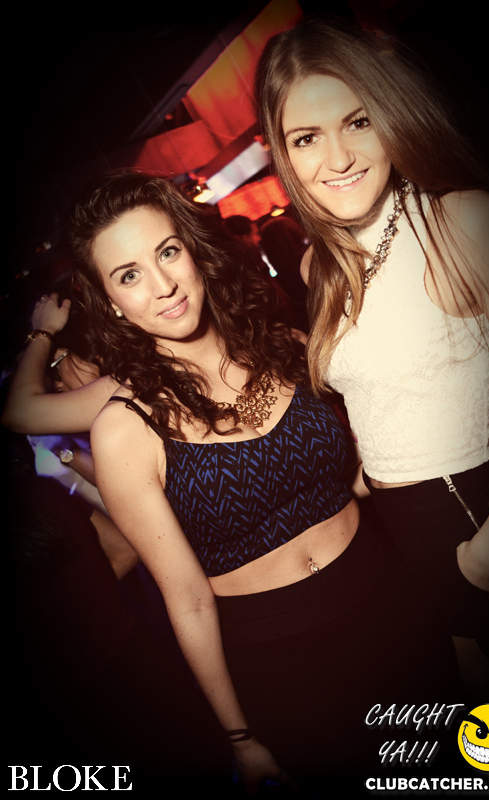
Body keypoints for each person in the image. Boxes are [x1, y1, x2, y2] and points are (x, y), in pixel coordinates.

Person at [2, 170, 462, 792]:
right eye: (129, 275)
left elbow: (361, 474)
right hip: (283, 661)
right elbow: (186, 597)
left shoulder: (283, 344)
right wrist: (240, 737)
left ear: (192, 251)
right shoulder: (125, 426)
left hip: (392, 600)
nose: (162, 285)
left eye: (167, 252)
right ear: (110, 302)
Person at [254, 16, 489, 687]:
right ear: (283, 153)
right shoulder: (318, 268)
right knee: (481, 712)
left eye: (356, 122)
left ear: (388, 116)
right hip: (400, 528)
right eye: (306, 137)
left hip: (475, 510)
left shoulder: (458, 220)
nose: (338, 159)